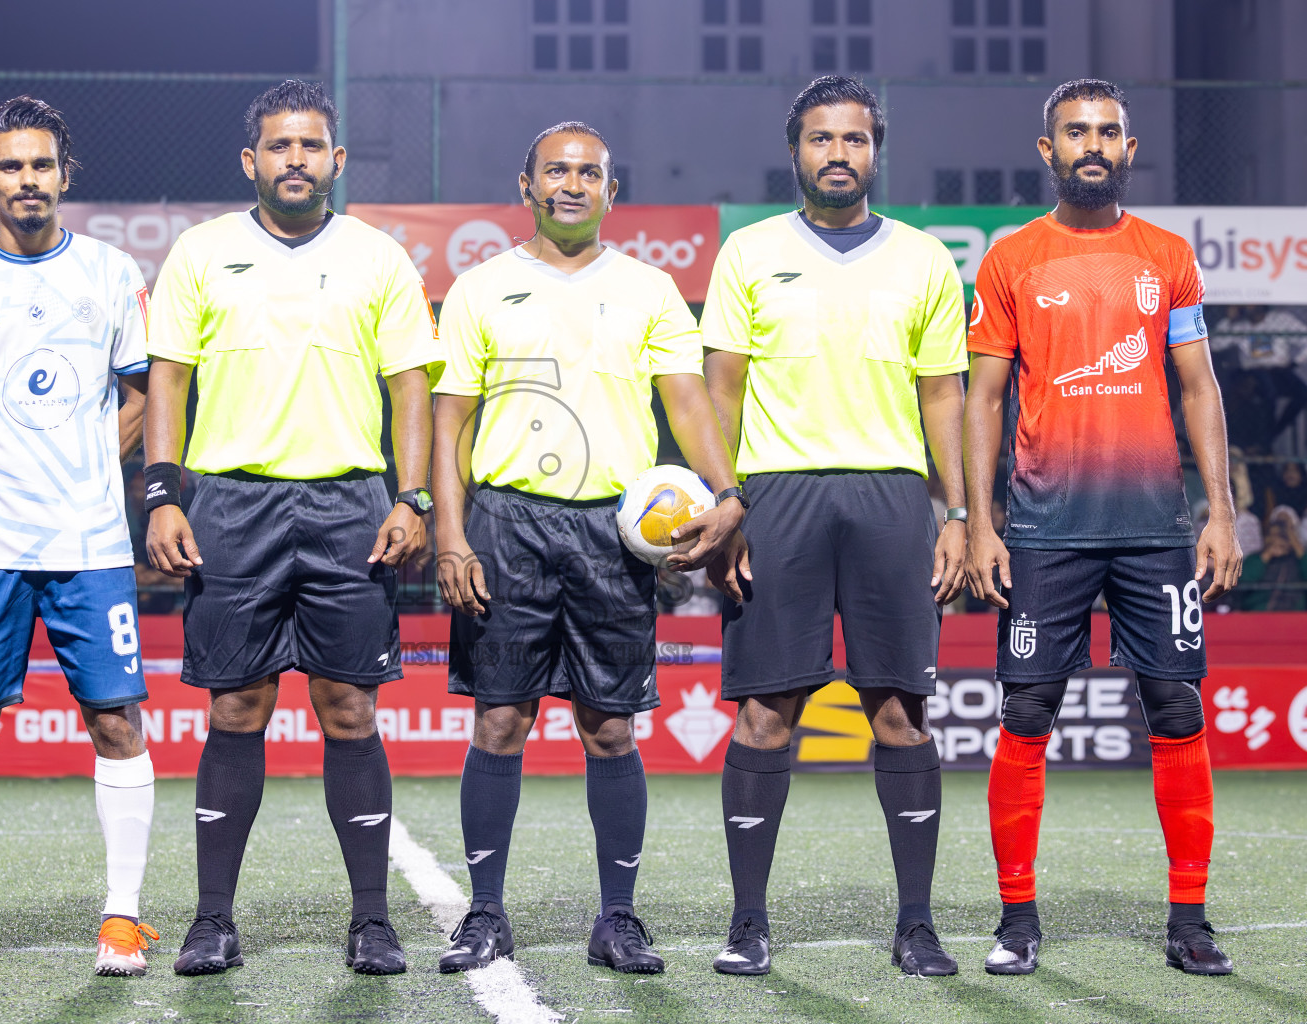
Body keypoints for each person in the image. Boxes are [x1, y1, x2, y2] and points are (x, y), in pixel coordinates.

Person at [433, 121, 745, 976]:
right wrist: (450, 531)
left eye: (590, 173)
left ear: (614, 190)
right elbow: (449, 421)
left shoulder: (649, 288)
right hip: (507, 524)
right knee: (501, 719)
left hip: (613, 534)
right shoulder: (480, 287)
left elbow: (687, 404)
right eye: (556, 171)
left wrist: (727, 495)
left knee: (610, 728)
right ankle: (485, 915)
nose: (572, 184)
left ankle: (618, 919)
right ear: (526, 184)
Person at [144, 80, 441, 978]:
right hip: (232, 505)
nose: (296, 160)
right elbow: (167, 379)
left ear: (337, 161)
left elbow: (411, 390)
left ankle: (373, 922)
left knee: (349, 709)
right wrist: (163, 492)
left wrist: (414, 498)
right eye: (280, 146)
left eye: (312, 146)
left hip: (351, 505)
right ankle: (211, 921)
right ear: (252, 161)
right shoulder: (198, 253)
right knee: (238, 706)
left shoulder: (380, 258)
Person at [964, 79, 1243, 977]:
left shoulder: (1168, 257)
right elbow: (985, 399)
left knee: (1177, 706)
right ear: (1046, 150)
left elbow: (1199, 387)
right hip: (1045, 531)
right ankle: (1017, 917)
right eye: (1076, 131)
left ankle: (1190, 919)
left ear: (1130, 148)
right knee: (1027, 712)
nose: (1094, 143)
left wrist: (1221, 514)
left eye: (1109, 131)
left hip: (1156, 527)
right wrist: (980, 522)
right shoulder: (1010, 259)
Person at [700, 76, 969, 979]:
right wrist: (725, 503)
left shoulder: (926, 258)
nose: (838, 154)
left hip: (894, 497)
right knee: (766, 712)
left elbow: (944, 397)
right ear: (796, 152)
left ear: (875, 150)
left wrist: (960, 512)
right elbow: (721, 390)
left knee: (899, 709)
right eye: (821, 139)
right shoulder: (747, 252)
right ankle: (747, 922)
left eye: (854, 140)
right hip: (777, 497)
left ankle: (917, 925)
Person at [0, 96, 158, 980]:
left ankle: (122, 922)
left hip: (90, 543)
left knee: (116, 721)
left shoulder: (110, 273)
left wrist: (93, 460)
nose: (28, 181)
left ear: (64, 175)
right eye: (11, 167)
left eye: (42, 165)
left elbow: (144, 392)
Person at [1238, 509, 1306, 612]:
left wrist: (1293, 543)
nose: (1276, 539)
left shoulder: (1298, 559)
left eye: (1280, 536)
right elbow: (1244, 581)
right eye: (1272, 536)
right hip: (1259, 614)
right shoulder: (1255, 558)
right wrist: (1267, 555)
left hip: (1294, 615)